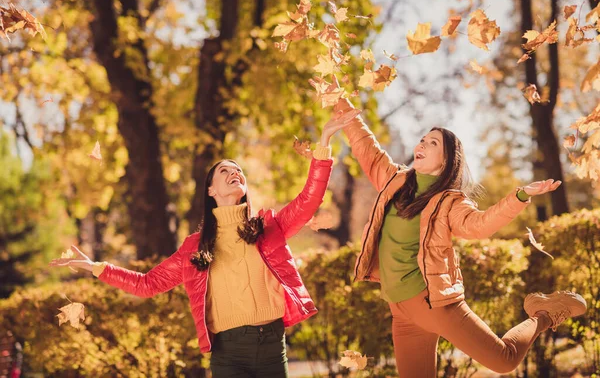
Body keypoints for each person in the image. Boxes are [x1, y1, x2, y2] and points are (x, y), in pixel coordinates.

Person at [49, 108, 361, 378]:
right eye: (224, 170)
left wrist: (324, 143)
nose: (234, 172)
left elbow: (308, 201)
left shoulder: (268, 227)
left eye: (238, 170)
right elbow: (147, 284)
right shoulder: (195, 248)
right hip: (228, 353)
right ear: (210, 190)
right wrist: (95, 267)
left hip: (272, 346)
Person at [336, 100, 587, 376]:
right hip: (402, 313)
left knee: (505, 360)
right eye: (422, 140)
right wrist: (340, 102)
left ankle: (543, 314)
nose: (421, 145)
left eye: (432, 143)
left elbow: (481, 225)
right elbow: (366, 149)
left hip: (434, 305)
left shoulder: (449, 202)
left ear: (445, 161)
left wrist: (520, 196)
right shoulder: (394, 181)